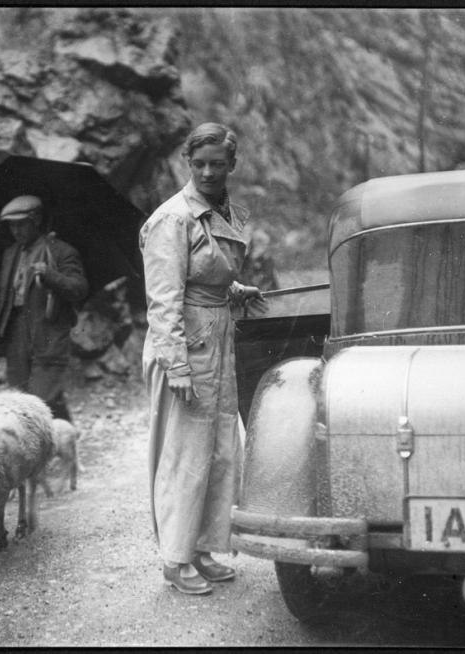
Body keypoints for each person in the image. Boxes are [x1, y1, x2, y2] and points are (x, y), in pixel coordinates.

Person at [140, 123, 267, 595]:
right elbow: (164, 298)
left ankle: (204, 547)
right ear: (187, 165)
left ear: (232, 164)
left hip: (218, 338)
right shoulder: (172, 220)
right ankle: (176, 558)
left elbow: (206, 274)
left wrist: (234, 290)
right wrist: (176, 366)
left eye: (219, 163)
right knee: (185, 455)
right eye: (200, 164)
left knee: (218, 449)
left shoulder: (224, 212)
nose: (210, 171)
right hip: (186, 348)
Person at [0, 195, 88, 423]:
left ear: (37, 219)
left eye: (21, 224)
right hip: (17, 335)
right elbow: (14, 295)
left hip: (48, 334)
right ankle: (63, 442)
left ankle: (58, 445)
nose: (16, 231)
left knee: (39, 401)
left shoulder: (61, 252)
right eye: (12, 225)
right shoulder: (11, 254)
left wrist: (51, 276)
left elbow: (79, 289)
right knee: (22, 400)